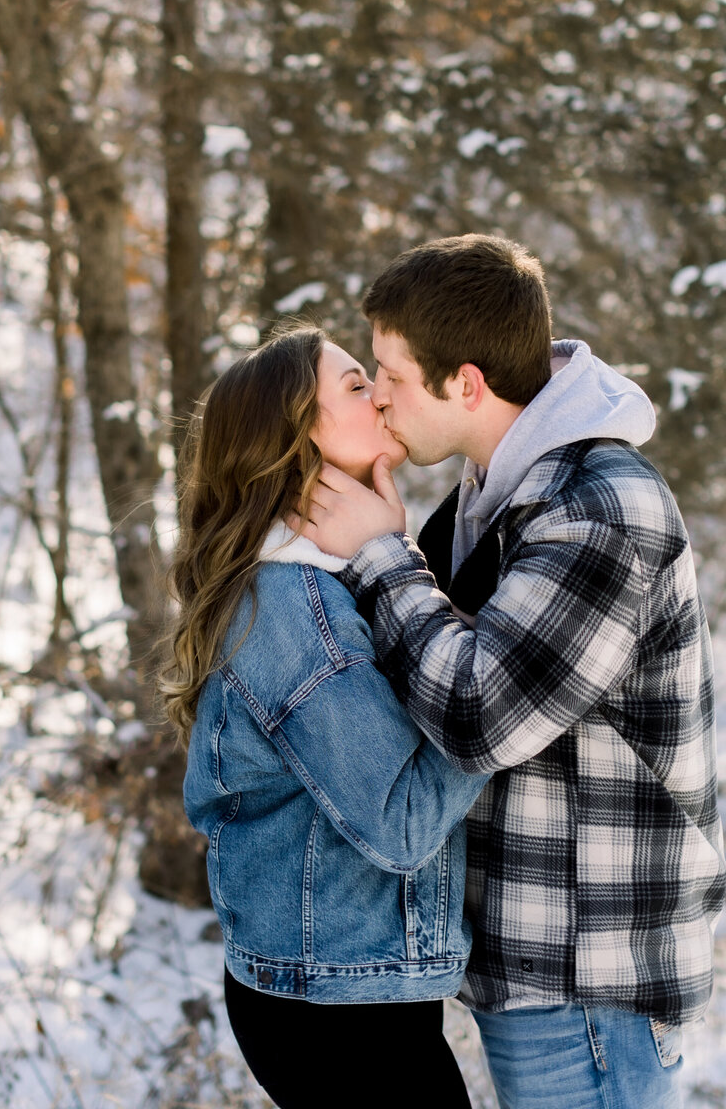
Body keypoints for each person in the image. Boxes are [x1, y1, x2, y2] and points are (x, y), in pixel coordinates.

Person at [297, 234, 726, 1109]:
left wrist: (382, 555)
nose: (376, 399)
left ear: (467, 383)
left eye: (391, 375)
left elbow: (478, 715)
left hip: (590, 976)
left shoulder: (601, 510)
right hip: (532, 966)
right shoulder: (494, 493)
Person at [161, 326, 489, 1109]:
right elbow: (403, 821)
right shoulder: (296, 605)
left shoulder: (326, 583)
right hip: (335, 1014)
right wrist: (495, 691)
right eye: (351, 386)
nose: (378, 394)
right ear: (292, 439)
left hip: (336, 994)